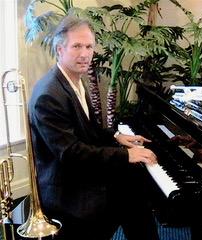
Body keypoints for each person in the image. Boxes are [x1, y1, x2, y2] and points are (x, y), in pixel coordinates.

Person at [28, 15, 159, 240]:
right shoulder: (49, 95)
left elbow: (86, 128)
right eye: (77, 46)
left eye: (89, 46)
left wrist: (116, 137)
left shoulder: (73, 79)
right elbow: (71, 153)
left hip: (76, 173)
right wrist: (126, 155)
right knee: (133, 193)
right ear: (60, 49)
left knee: (135, 185)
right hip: (67, 189)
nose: (85, 53)